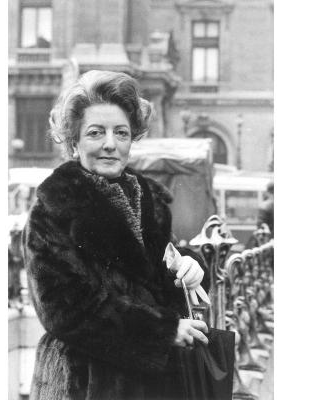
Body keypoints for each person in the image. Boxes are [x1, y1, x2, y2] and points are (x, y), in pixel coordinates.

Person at [22, 70, 210, 400]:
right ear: (74, 142)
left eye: (121, 133)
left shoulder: (149, 199)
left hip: (152, 383)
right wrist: (161, 332)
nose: (110, 144)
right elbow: (64, 310)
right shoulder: (53, 207)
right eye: (96, 132)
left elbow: (155, 274)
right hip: (84, 381)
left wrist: (190, 267)